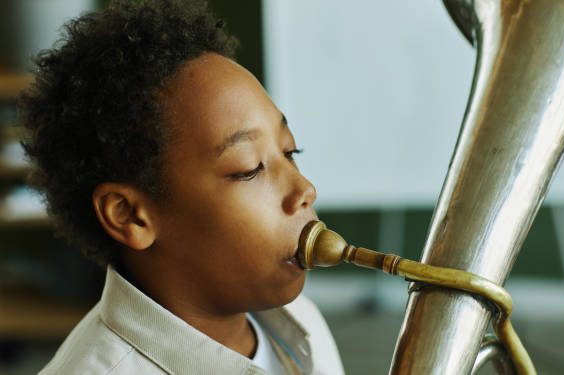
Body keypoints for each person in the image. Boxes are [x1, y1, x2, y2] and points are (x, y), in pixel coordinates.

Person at [18, 0, 344, 374]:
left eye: (290, 151)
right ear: (130, 216)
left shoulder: (302, 323)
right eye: (249, 168)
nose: (305, 189)